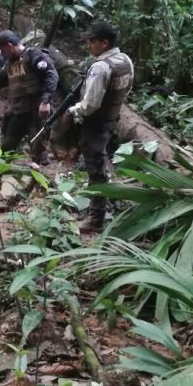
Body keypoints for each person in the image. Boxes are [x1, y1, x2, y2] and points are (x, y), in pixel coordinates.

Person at [67, 21, 134, 231]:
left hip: (95, 123)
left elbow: (90, 104)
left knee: (96, 169)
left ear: (105, 43)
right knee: (100, 162)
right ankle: (105, 203)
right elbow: (126, 89)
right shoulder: (125, 61)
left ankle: (96, 217)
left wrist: (74, 112)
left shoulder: (100, 67)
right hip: (110, 118)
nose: (89, 44)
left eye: (92, 40)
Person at [0, 30, 58, 165]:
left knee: (38, 148)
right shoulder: (11, 63)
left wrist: (46, 101)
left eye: (2, 49)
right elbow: (1, 78)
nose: (2, 53)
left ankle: (41, 180)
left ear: (9, 46)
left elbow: (51, 76)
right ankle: (3, 174)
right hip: (19, 110)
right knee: (8, 145)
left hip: (36, 110)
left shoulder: (34, 56)